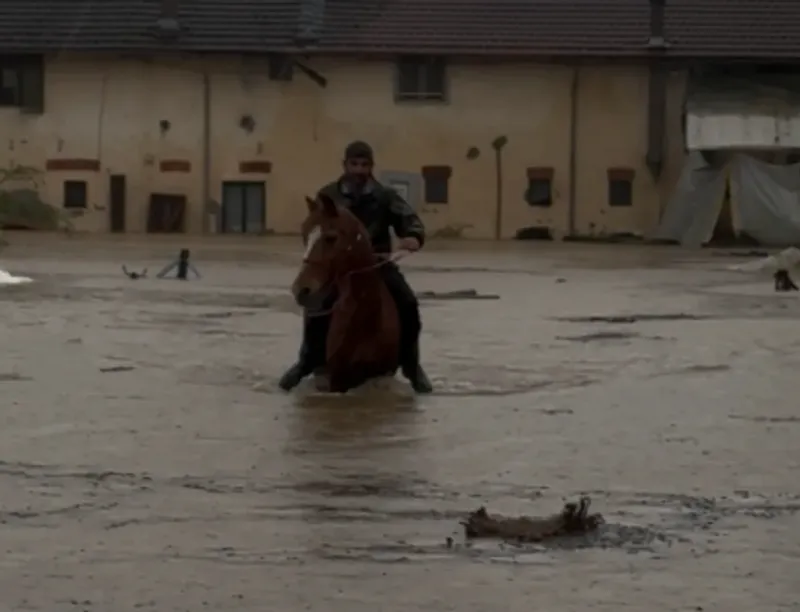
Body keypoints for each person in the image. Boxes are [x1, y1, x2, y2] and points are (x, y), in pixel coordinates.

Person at [279, 140, 433, 394]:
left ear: (371, 167)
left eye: (364, 165)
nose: (359, 170)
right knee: (316, 304)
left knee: (407, 302)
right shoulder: (328, 196)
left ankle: (412, 365)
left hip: (377, 264)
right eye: (354, 164)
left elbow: (410, 220)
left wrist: (413, 237)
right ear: (345, 165)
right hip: (339, 268)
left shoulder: (385, 196)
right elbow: (316, 228)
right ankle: (307, 362)